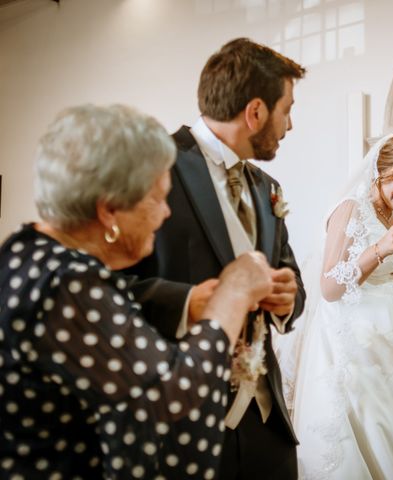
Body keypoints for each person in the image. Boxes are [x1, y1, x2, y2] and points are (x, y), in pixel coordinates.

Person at [0, 104, 275, 479]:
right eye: (158, 198)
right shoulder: (69, 282)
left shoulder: (26, 252)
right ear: (110, 210)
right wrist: (234, 293)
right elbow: (170, 401)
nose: (166, 213)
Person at [126, 38, 306, 479]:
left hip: (266, 423)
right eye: (288, 110)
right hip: (181, 421)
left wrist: (288, 299)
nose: (291, 125)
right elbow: (109, 287)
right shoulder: (151, 169)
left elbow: (292, 275)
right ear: (256, 112)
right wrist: (190, 304)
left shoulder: (267, 188)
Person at [279, 134, 393, 479]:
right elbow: (329, 286)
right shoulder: (350, 209)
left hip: (388, 344)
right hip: (353, 349)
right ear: (379, 172)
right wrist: (380, 250)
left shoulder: (391, 218)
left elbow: (379, 278)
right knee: (367, 433)